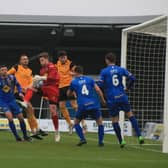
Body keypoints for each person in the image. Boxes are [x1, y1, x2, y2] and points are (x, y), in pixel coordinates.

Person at [99, 52, 144, 147]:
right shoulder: (121, 69)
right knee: (130, 115)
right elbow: (133, 78)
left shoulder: (104, 71)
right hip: (122, 96)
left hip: (112, 98)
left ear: (107, 60)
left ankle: (121, 141)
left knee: (115, 120)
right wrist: (128, 88)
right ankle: (140, 136)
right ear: (115, 60)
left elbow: (100, 85)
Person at [7, 54, 47, 140]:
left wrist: (30, 87)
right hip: (18, 92)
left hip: (26, 93)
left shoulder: (30, 71)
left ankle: (33, 130)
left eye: (26, 59)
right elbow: (7, 74)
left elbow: (32, 82)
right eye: (23, 59)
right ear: (20, 61)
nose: (25, 60)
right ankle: (36, 129)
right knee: (30, 109)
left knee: (30, 111)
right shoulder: (16, 67)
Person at [24, 52, 60, 142]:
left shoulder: (52, 66)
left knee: (53, 111)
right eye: (40, 60)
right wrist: (35, 82)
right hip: (44, 89)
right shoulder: (42, 70)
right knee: (31, 87)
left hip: (52, 90)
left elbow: (52, 78)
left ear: (47, 59)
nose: (41, 62)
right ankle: (25, 102)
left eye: (42, 60)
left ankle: (56, 131)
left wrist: (40, 77)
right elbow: (42, 80)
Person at [67, 66, 106, 146]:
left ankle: (82, 139)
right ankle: (100, 142)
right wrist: (103, 100)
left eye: (73, 72)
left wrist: (73, 92)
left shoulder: (73, 82)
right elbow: (98, 90)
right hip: (93, 104)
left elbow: (68, 94)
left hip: (82, 105)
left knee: (76, 122)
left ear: (76, 72)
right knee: (100, 123)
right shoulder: (90, 79)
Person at [56, 51, 87, 134]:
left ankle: (83, 123)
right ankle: (70, 124)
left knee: (75, 106)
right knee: (61, 106)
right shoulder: (57, 64)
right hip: (60, 87)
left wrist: (72, 73)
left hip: (69, 86)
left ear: (66, 57)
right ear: (59, 58)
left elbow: (78, 73)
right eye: (61, 57)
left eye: (64, 57)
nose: (63, 58)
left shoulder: (71, 64)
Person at [0, 65, 32, 142]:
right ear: (0, 71)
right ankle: (17, 137)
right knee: (9, 117)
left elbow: (18, 85)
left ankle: (25, 136)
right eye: (2, 70)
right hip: (3, 101)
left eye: (5, 69)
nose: (4, 71)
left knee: (21, 117)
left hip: (12, 100)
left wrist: (20, 92)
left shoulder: (12, 77)